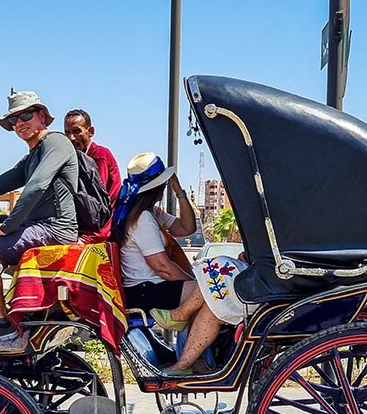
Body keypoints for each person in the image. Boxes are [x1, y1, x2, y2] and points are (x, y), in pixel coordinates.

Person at [0, 90, 79, 345]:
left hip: (55, 229)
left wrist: (9, 226)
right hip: (38, 225)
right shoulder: (33, 154)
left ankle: (1, 324)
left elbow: (38, 186)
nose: (19, 123)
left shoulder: (56, 142)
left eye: (26, 115)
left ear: (42, 116)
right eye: (13, 120)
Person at [113, 152, 244, 375]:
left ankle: (191, 359)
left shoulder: (151, 213)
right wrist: (198, 283)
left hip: (153, 286)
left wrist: (180, 192)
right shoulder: (142, 218)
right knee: (216, 290)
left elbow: (186, 228)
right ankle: (190, 360)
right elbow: (162, 267)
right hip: (147, 289)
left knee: (213, 295)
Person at [63, 109, 122, 243]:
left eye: (77, 131)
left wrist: (91, 237)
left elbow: (98, 202)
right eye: (67, 132)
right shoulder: (74, 159)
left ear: (90, 131)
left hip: (100, 232)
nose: (71, 138)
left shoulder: (99, 155)